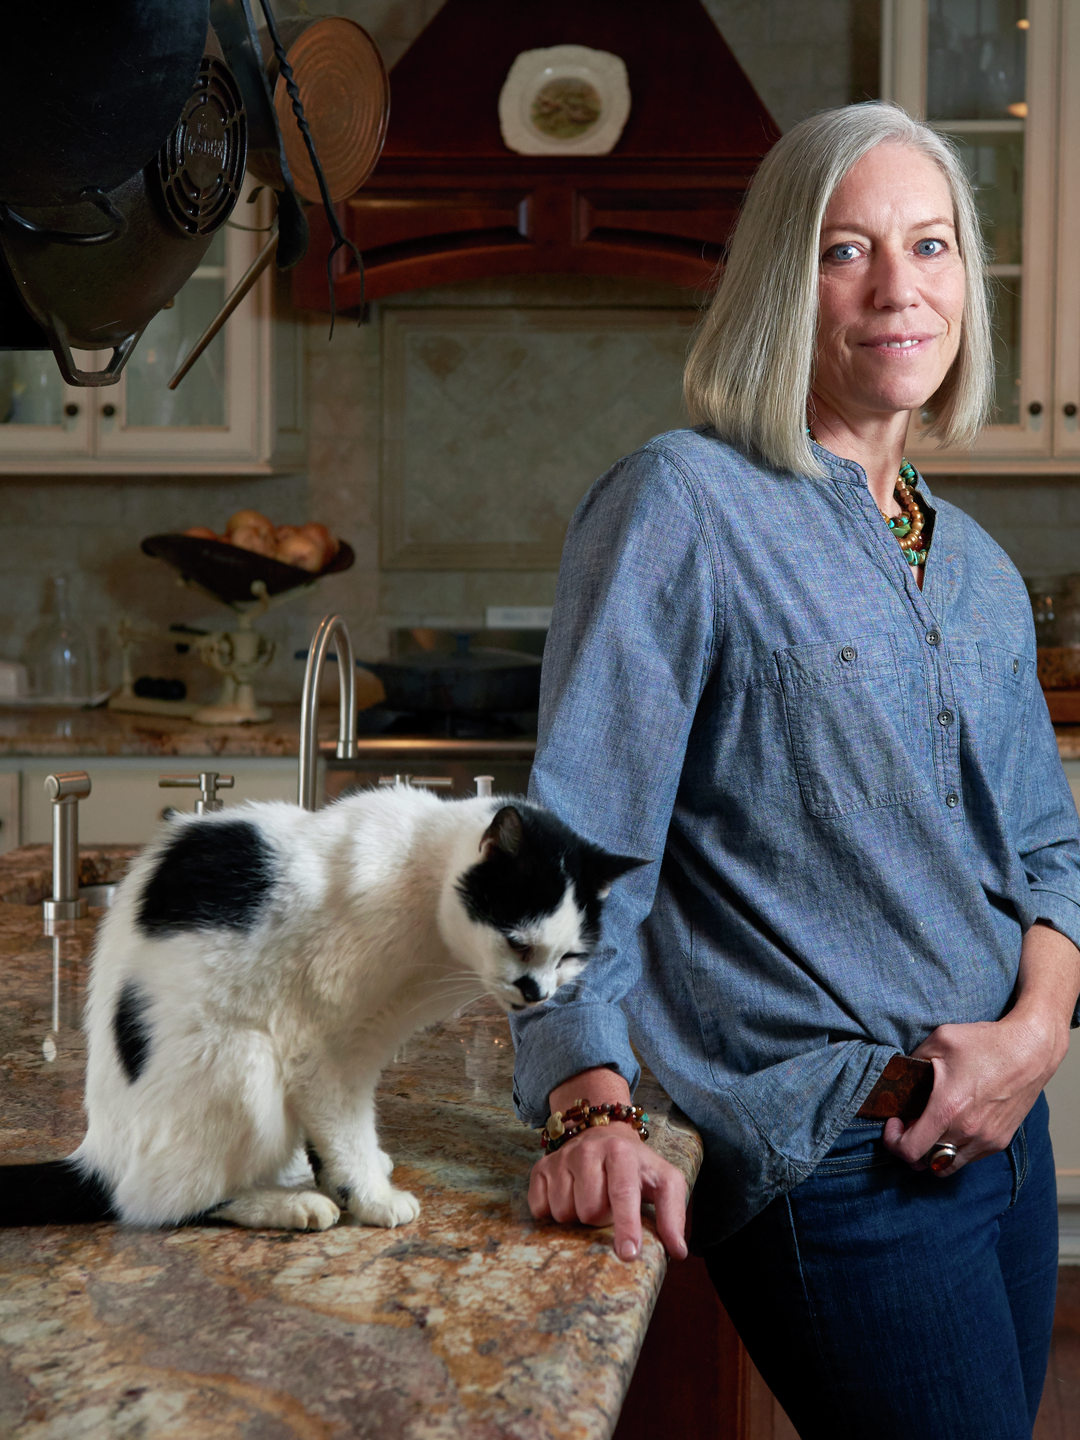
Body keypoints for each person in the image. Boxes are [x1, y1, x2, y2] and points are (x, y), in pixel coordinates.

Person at [508, 102, 1080, 1440]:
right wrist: (587, 1109)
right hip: (836, 1156)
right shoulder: (684, 504)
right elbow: (568, 852)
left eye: (932, 245)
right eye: (846, 249)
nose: (899, 287)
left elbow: (1053, 856)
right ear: (782, 278)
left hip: (1006, 1132)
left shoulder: (980, 569)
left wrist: (1035, 1033)